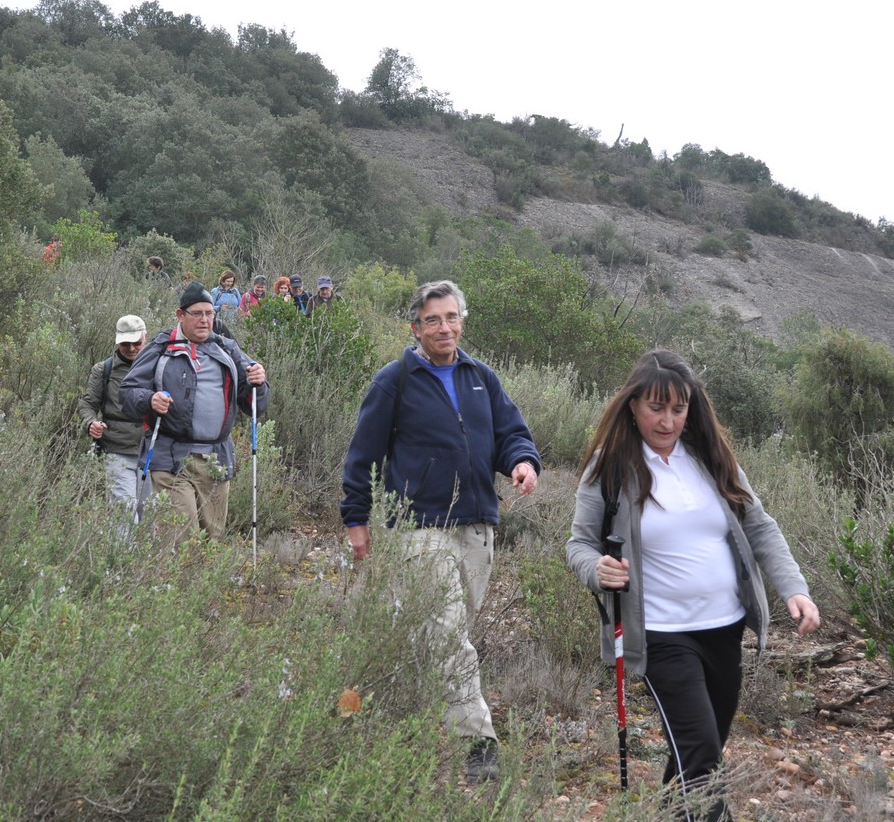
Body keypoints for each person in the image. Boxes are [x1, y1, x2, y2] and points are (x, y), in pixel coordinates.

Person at [566, 349, 820, 822]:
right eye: (655, 408)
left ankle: (671, 814)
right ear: (633, 405)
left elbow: (759, 526)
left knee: (699, 751)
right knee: (701, 753)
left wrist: (795, 589)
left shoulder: (710, 458)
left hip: (724, 629)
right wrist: (596, 568)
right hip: (661, 635)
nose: (667, 421)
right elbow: (578, 544)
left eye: (678, 409)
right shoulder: (610, 467)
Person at [339, 279, 541, 782]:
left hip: (476, 523)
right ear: (415, 327)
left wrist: (522, 462)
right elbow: (362, 457)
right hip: (417, 526)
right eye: (432, 320)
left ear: (462, 322)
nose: (444, 327)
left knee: (443, 632)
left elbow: (511, 433)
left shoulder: (481, 377)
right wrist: (356, 520)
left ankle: (381, 697)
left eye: (451, 317)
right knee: (448, 634)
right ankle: (478, 745)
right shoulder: (394, 381)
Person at [121, 283, 269, 544]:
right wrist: (150, 399)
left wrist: (259, 382)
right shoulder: (161, 347)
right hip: (171, 459)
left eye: (209, 313)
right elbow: (128, 393)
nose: (204, 320)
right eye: (197, 313)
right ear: (180, 315)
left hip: (216, 459)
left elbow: (254, 403)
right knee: (180, 538)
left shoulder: (227, 348)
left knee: (212, 540)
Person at [77, 315, 151, 525]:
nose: (131, 348)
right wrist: (91, 423)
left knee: (151, 516)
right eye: (125, 344)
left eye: (136, 342)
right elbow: (88, 404)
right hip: (117, 452)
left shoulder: (159, 366)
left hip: (152, 454)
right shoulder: (104, 370)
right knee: (124, 514)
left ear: (145, 337)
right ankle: (122, 548)